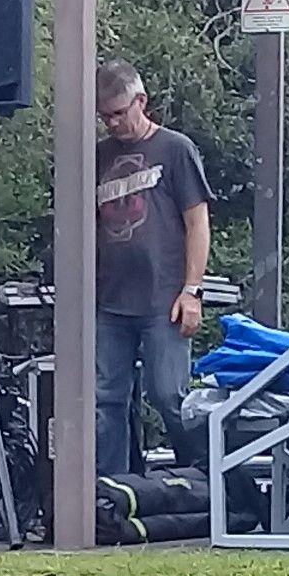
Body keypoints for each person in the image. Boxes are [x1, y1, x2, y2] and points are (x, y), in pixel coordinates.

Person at [92, 58, 209, 480]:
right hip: (109, 301)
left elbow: (197, 221)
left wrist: (191, 291)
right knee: (105, 399)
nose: (112, 124)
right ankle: (109, 491)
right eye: (105, 116)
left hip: (164, 299)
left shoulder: (175, 149)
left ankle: (203, 481)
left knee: (170, 397)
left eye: (119, 114)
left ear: (141, 101)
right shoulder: (98, 155)